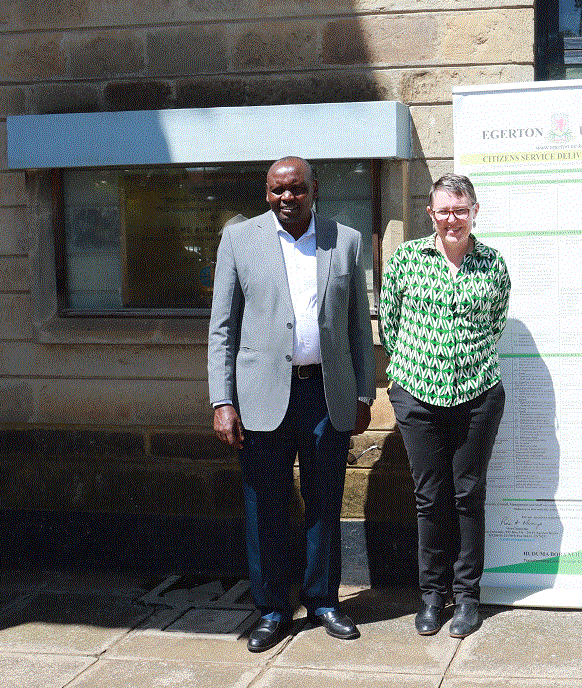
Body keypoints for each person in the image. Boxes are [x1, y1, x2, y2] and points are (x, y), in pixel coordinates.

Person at [208, 156, 376, 652]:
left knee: (326, 502)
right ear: (266, 193)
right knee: (265, 505)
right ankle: (272, 609)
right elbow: (222, 328)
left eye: (297, 189)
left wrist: (364, 392)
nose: (287, 198)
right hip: (260, 396)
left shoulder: (345, 240)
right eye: (277, 190)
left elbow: (358, 326)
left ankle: (323, 600)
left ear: (314, 189)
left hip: (325, 393)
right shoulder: (238, 241)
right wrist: (223, 400)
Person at [380, 173, 510, 639]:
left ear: (475, 211)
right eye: (443, 211)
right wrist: (408, 376)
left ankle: (468, 597)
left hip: (477, 395)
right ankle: (433, 597)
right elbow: (390, 325)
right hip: (417, 394)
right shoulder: (406, 259)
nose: (452, 219)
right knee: (429, 497)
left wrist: (463, 364)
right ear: (430, 213)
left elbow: (494, 323)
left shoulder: (493, 264)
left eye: (460, 210)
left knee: (468, 495)